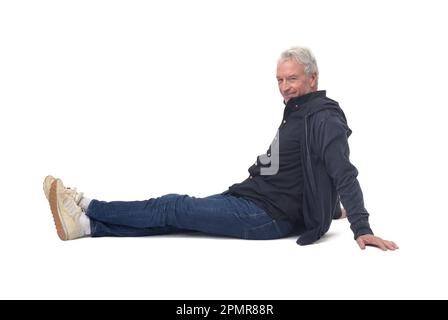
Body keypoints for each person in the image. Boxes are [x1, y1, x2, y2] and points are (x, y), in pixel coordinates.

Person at [43, 46, 398, 251]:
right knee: (177, 218)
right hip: (250, 198)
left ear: (312, 79)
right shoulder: (298, 112)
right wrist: (331, 210)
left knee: (173, 206)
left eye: (292, 79)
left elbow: (342, 171)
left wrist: (361, 226)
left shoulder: (323, 118)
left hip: (266, 216)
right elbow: (302, 170)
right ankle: (87, 227)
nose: (284, 87)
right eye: (279, 79)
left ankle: (87, 205)